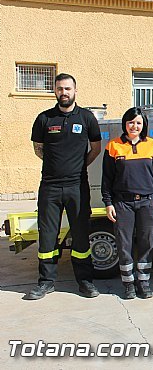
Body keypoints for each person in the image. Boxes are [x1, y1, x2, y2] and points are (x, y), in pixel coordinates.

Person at [26, 73, 102, 300]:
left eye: (68, 88)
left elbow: (96, 148)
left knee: (80, 235)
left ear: (75, 91)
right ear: (55, 91)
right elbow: (38, 148)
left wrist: (78, 167)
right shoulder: (44, 119)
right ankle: (46, 282)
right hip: (49, 187)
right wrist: (54, 167)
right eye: (60, 89)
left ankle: (85, 282)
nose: (64, 92)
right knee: (48, 235)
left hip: (77, 186)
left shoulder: (87, 118)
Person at [102, 107, 153, 299]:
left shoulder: (152, 146)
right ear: (125, 124)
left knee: (147, 242)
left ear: (144, 125)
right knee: (124, 243)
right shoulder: (113, 146)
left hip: (148, 203)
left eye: (138, 122)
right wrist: (108, 202)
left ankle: (144, 282)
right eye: (131, 122)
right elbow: (107, 178)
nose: (134, 126)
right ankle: (129, 283)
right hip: (123, 203)